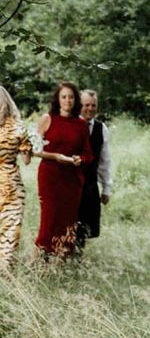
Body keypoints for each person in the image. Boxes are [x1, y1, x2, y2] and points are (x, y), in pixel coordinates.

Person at [35, 81, 93, 259]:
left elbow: (88, 154)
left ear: (76, 100)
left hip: (72, 179)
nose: (67, 100)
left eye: (71, 97)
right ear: (57, 99)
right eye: (64, 97)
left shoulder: (81, 124)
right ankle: (39, 258)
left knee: (68, 220)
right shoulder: (47, 119)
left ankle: (62, 260)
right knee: (49, 219)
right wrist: (56, 157)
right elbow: (35, 149)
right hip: (50, 176)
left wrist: (79, 159)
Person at [0, 86, 33, 270]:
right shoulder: (19, 128)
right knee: (10, 233)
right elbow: (27, 160)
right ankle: (4, 272)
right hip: (12, 185)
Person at [76, 89, 112, 249]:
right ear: (79, 105)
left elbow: (105, 161)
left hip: (90, 184)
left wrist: (106, 188)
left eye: (93, 105)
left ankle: (76, 260)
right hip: (70, 182)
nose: (90, 109)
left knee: (85, 227)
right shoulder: (70, 124)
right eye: (86, 105)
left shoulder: (101, 128)